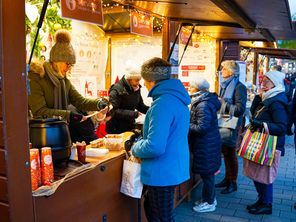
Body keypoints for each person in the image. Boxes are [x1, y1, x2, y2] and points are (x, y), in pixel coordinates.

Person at [131, 57, 191, 222]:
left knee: (161, 217)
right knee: (154, 209)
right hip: (171, 167)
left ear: (151, 80)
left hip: (162, 171)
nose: (143, 84)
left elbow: (155, 146)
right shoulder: (177, 98)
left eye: (144, 80)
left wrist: (135, 147)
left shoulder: (162, 104)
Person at [28, 29, 109, 128]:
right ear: (56, 60)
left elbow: (80, 102)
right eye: (67, 63)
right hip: (41, 134)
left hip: (61, 132)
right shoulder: (36, 77)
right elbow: (39, 111)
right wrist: (69, 115)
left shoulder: (63, 81)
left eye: (71, 65)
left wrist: (99, 104)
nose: (69, 68)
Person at [247, 70, 288, 215]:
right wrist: (258, 97)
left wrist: (260, 125)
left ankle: (267, 204)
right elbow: (253, 112)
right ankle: (261, 200)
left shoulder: (276, 101)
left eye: (266, 81)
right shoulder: (266, 97)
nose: (262, 83)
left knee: (264, 176)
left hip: (271, 145)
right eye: (262, 80)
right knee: (258, 174)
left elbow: (282, 127)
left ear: (274, 83)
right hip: (262, 142)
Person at [188, 79, 221, 213]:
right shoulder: (204, 101)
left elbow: (202, 127)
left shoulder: (203, 104)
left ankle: (209, 202)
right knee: (208, 174)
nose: (189, 88)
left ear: (198, 89)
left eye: (191, 86)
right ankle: (210, 197)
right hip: (208, 143)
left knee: (207, 174)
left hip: (206, 144)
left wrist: (185, 124)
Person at [215, 60, 247, 194]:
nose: (222, 71)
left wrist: (223, 104)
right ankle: (227, 179)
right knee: (226, 152)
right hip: (224, 122)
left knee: (231, 153)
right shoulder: (225, 85)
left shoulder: (239, 87)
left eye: (224, 69)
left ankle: (233, 182)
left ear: (231, 72)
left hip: (233, 125)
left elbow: (240, 109)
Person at [106, 66, 149, 134]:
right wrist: (133, 114)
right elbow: (113, 111)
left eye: (139, 80)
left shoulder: (136, 89)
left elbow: (140, 106)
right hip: (116, 128)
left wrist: (152, 110)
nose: (138, 83)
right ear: (129, 79)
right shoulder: (116, 89)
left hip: (130, 126)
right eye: (136, 80)